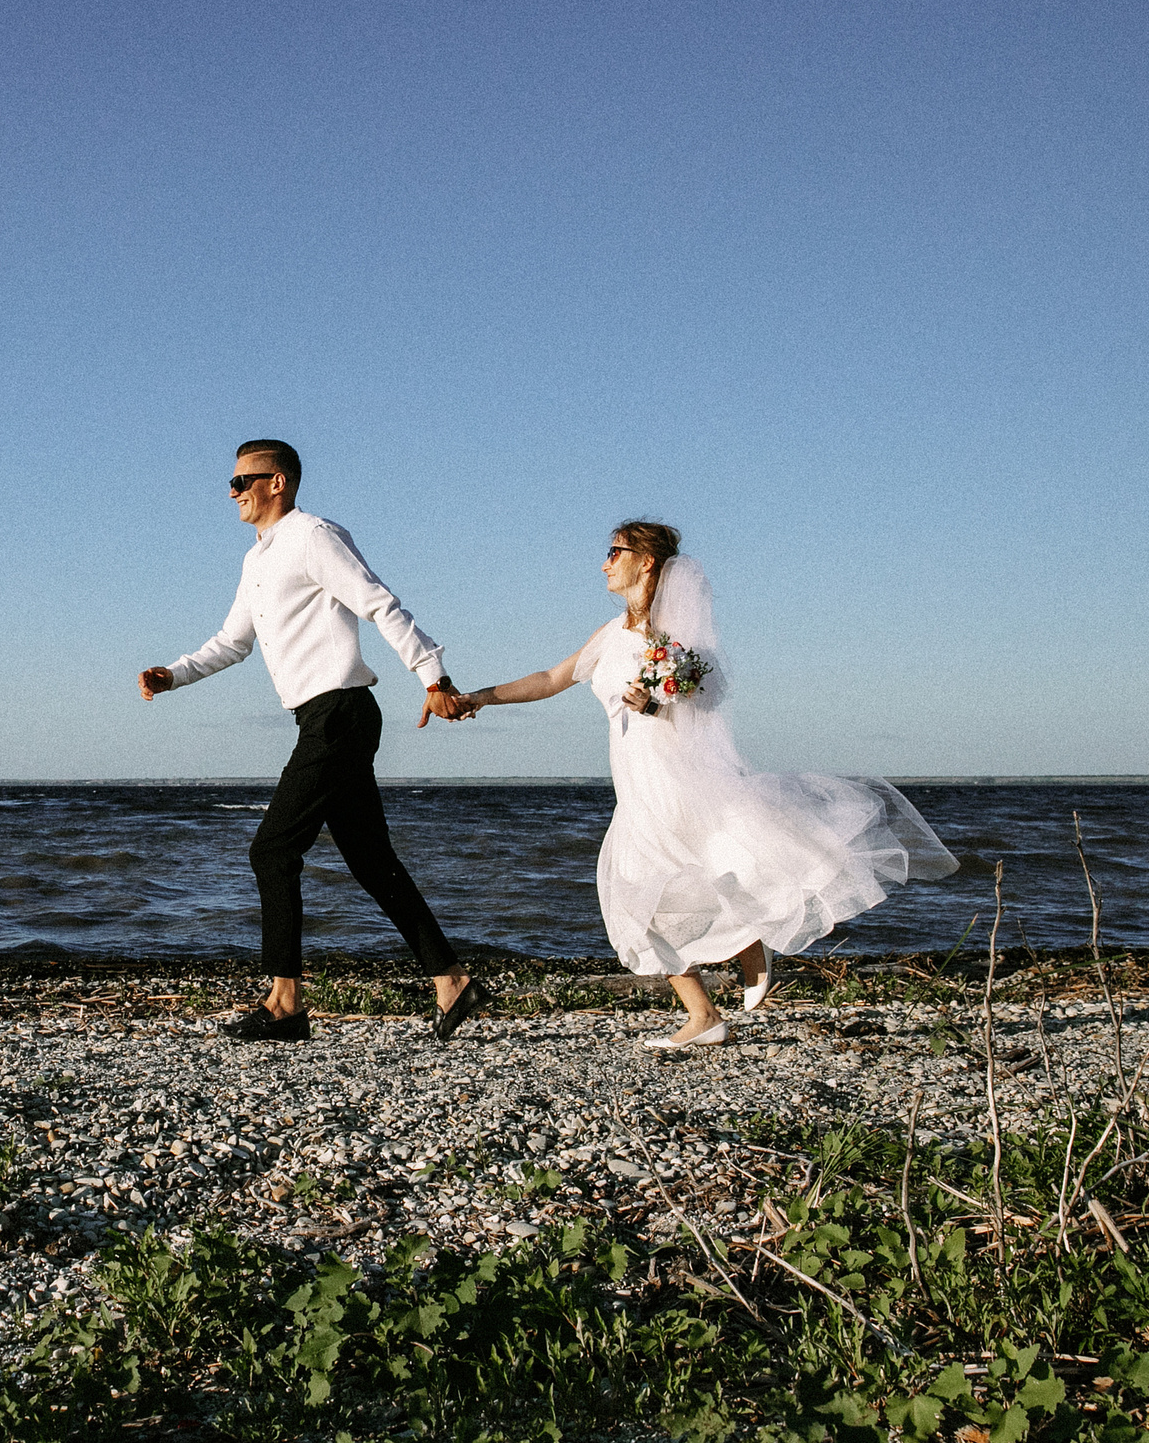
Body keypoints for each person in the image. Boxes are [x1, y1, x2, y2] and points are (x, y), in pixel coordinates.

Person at [448, 520, 954, 1047]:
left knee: (638, 896)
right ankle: (715, 999)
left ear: (646, 561)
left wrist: (660, 700)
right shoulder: (609, 633)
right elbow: (552, 679)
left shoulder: (674, 638)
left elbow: (706, 695)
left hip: (672, 781)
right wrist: (479, 697)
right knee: (648, 896)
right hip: (636, 784)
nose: (604, 562)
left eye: (614, 551)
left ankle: (730, 971)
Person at [139, 441, 493, 1044]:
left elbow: (380, 603)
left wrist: (433, 676)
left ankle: (285, 1003)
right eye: (229, 481)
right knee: (370, 859)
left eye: (241, 479)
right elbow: (233, 641)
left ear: (276, 481)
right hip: (321, 718)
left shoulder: (313, 536)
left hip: (341, 714)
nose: (231, 491)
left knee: (272, 850)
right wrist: (174, 675)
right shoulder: (257, 560)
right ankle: (451, 979)